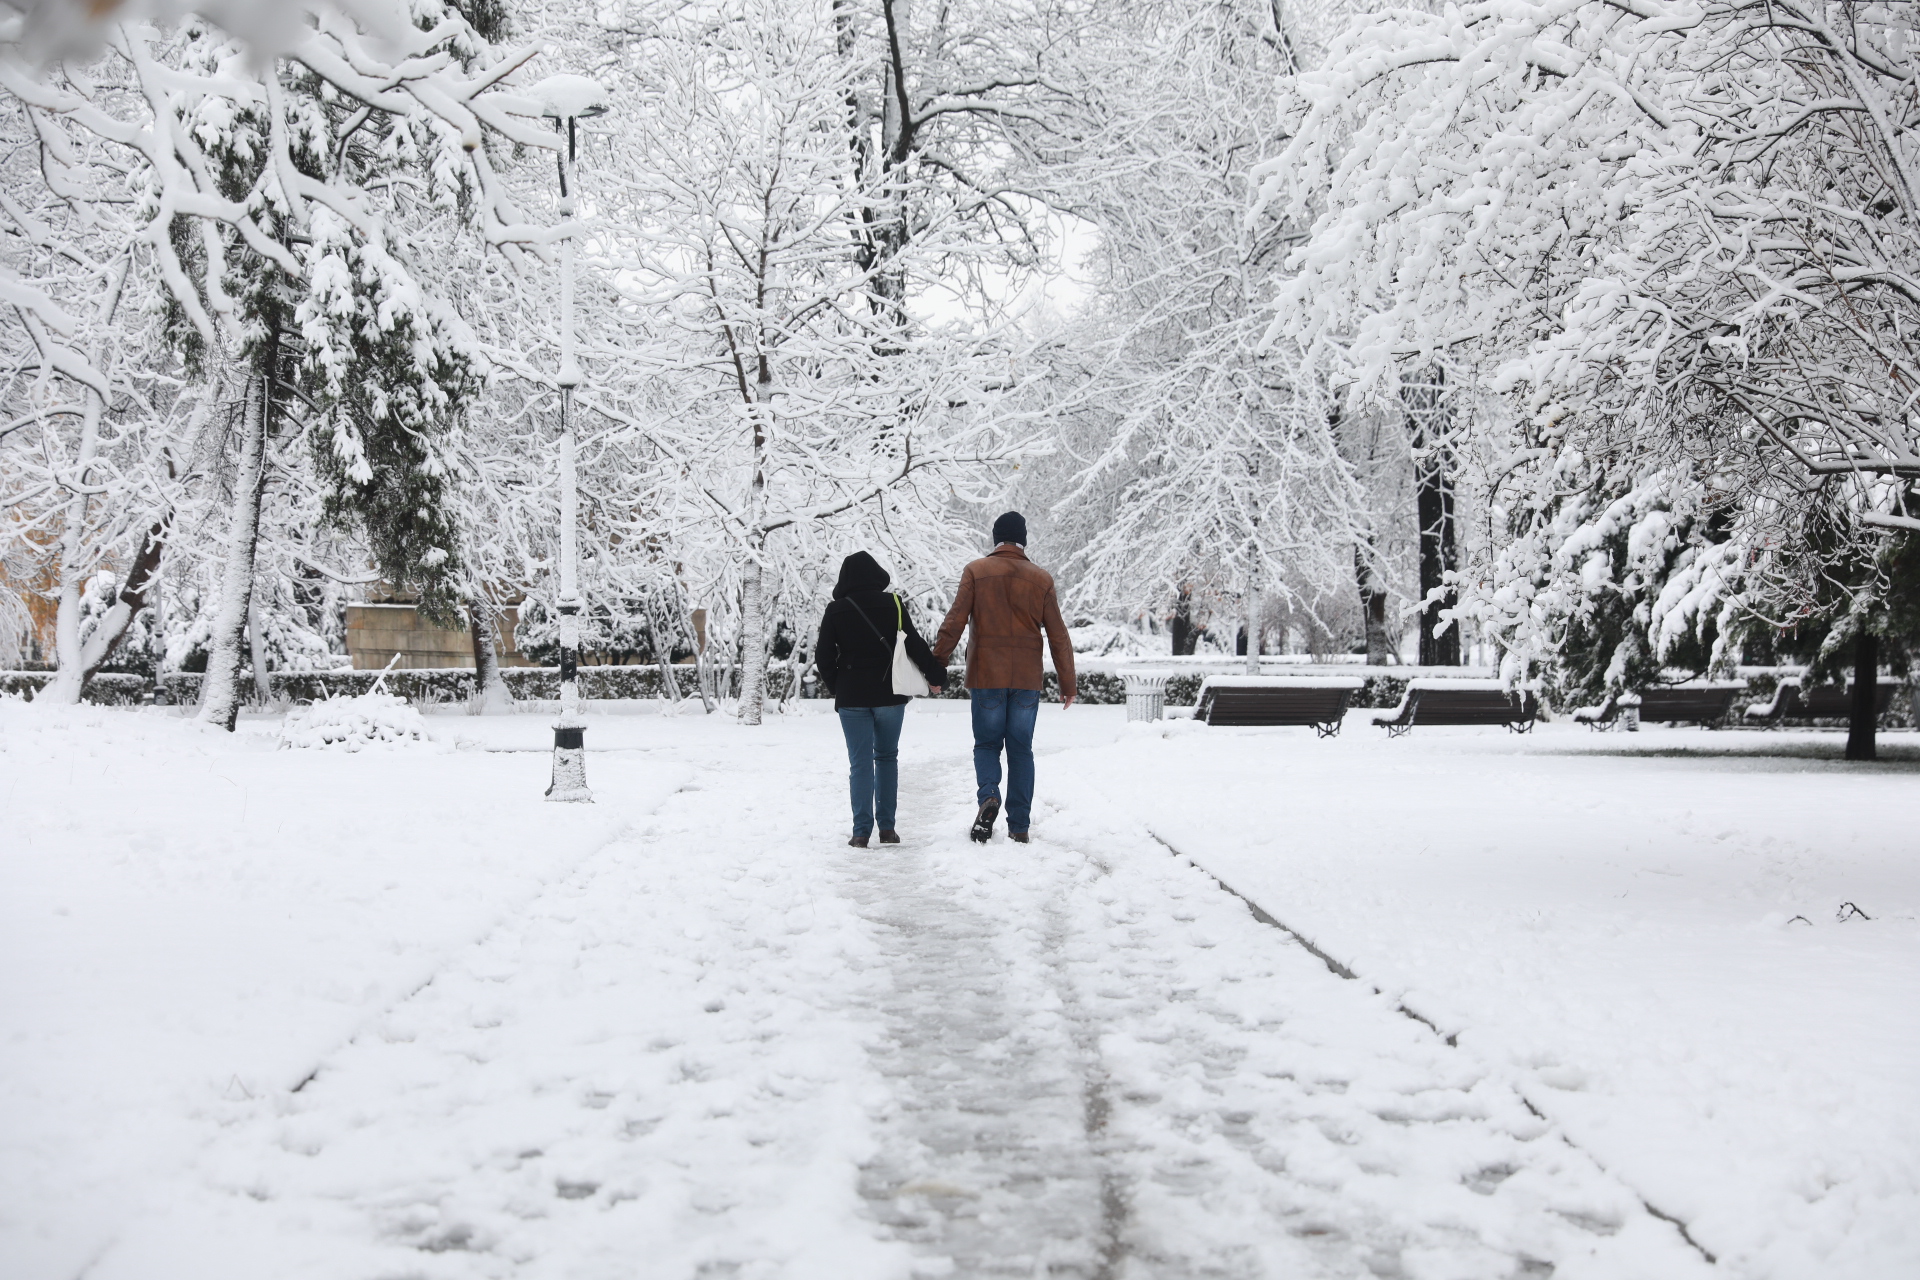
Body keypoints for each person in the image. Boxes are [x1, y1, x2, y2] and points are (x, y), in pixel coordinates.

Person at [931, 511, 1076, 844]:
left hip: (986, 675)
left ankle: (989, 796)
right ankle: (1020, 826)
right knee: (1021, 750)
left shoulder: (976, 571)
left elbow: (954, 622)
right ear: (1023, 540)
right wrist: (1068, 684)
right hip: (1026, 679)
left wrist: (937, 665)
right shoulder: (1041, 579)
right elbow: (1058, 636)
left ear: (995, 538)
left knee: (986, 744)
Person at [815, 551, 946, 848]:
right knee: (886, 758)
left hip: (852, 698)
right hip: (890, 695)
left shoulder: (836, 610)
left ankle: (861, 832)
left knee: (860, 764)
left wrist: (839, 685)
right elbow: (913, 643)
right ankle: (887, 829)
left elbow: (823, 655)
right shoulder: (894, 604)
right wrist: (936, 675)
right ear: (876, 575)